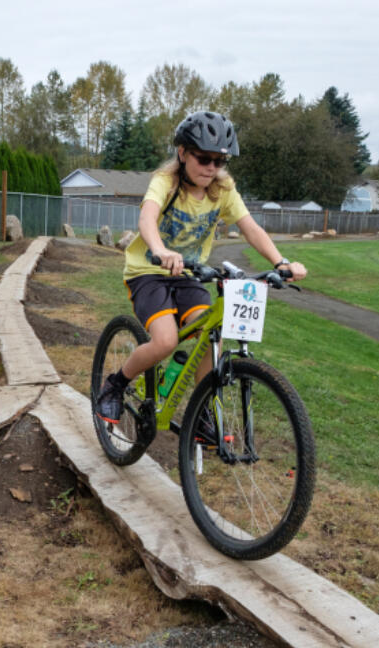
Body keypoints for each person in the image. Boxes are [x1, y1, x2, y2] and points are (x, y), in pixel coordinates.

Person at [94, 111, 308, 440]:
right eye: (204, 158)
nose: (211, 168)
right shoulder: (165, 182)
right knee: (165, 340)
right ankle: (114, 386)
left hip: (190, 274)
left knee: (212, 335)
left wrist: (281, 261)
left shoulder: (222, 190)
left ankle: (202, 414)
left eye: (219, 161)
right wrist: (161, 249)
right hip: (149, 271)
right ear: (182, 153)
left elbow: (250, 227)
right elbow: (147, 219)